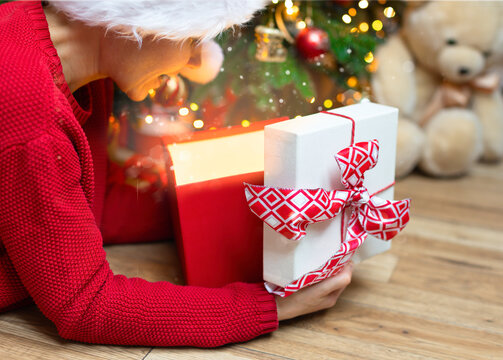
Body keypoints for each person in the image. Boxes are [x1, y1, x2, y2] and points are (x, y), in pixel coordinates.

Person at [0, 0, 353, 347]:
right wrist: (273, 305)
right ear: (142, 16)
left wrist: (239, 210)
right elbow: (88, 306)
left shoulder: (43, 35)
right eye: (192, 40)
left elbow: (88, 209)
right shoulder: (30, 112)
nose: (194, 61)